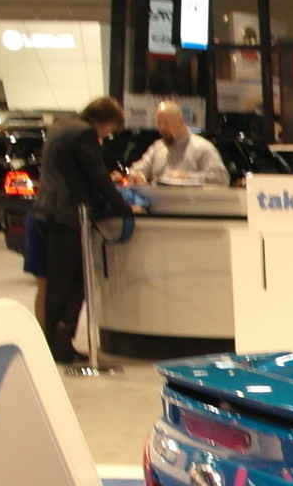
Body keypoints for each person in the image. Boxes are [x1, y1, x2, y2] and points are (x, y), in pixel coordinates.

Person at [36, 96, 130, 364]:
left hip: (48, 211)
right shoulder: (84, 134)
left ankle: (56, 344)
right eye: (110, 128)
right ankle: (61, 344)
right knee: (73, 282)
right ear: (104, 121)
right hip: (69, 216)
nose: (108, 134)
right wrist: (122, 207)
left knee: (59, 281)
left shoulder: (61, 125)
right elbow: (97, 176)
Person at [125, 101, 229, 186]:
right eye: (158, 123)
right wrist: (138, 175)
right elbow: (137, 169)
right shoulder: (157, 147)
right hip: (159, 206)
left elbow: (222, 178)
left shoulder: (202, 148)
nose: (162, 128)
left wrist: (188, 177)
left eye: (166, 123)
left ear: (181, 121)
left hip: (191, 207)